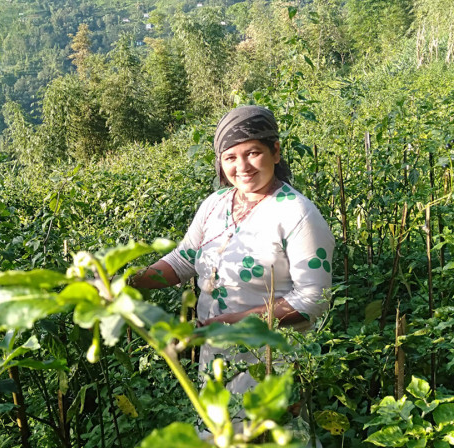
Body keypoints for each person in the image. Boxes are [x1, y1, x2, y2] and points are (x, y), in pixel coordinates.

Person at [129, 105, 334, 394]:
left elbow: (313, 299)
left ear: (275, 151)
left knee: (265, 436)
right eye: (230, 157)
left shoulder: (297, 213)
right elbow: (183, 259)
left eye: (253, 153)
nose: (242, 167)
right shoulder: (216, 204)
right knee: (218, 432)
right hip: (216, 359)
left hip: (270, 362)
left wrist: (233, 322)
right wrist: (128, 281)